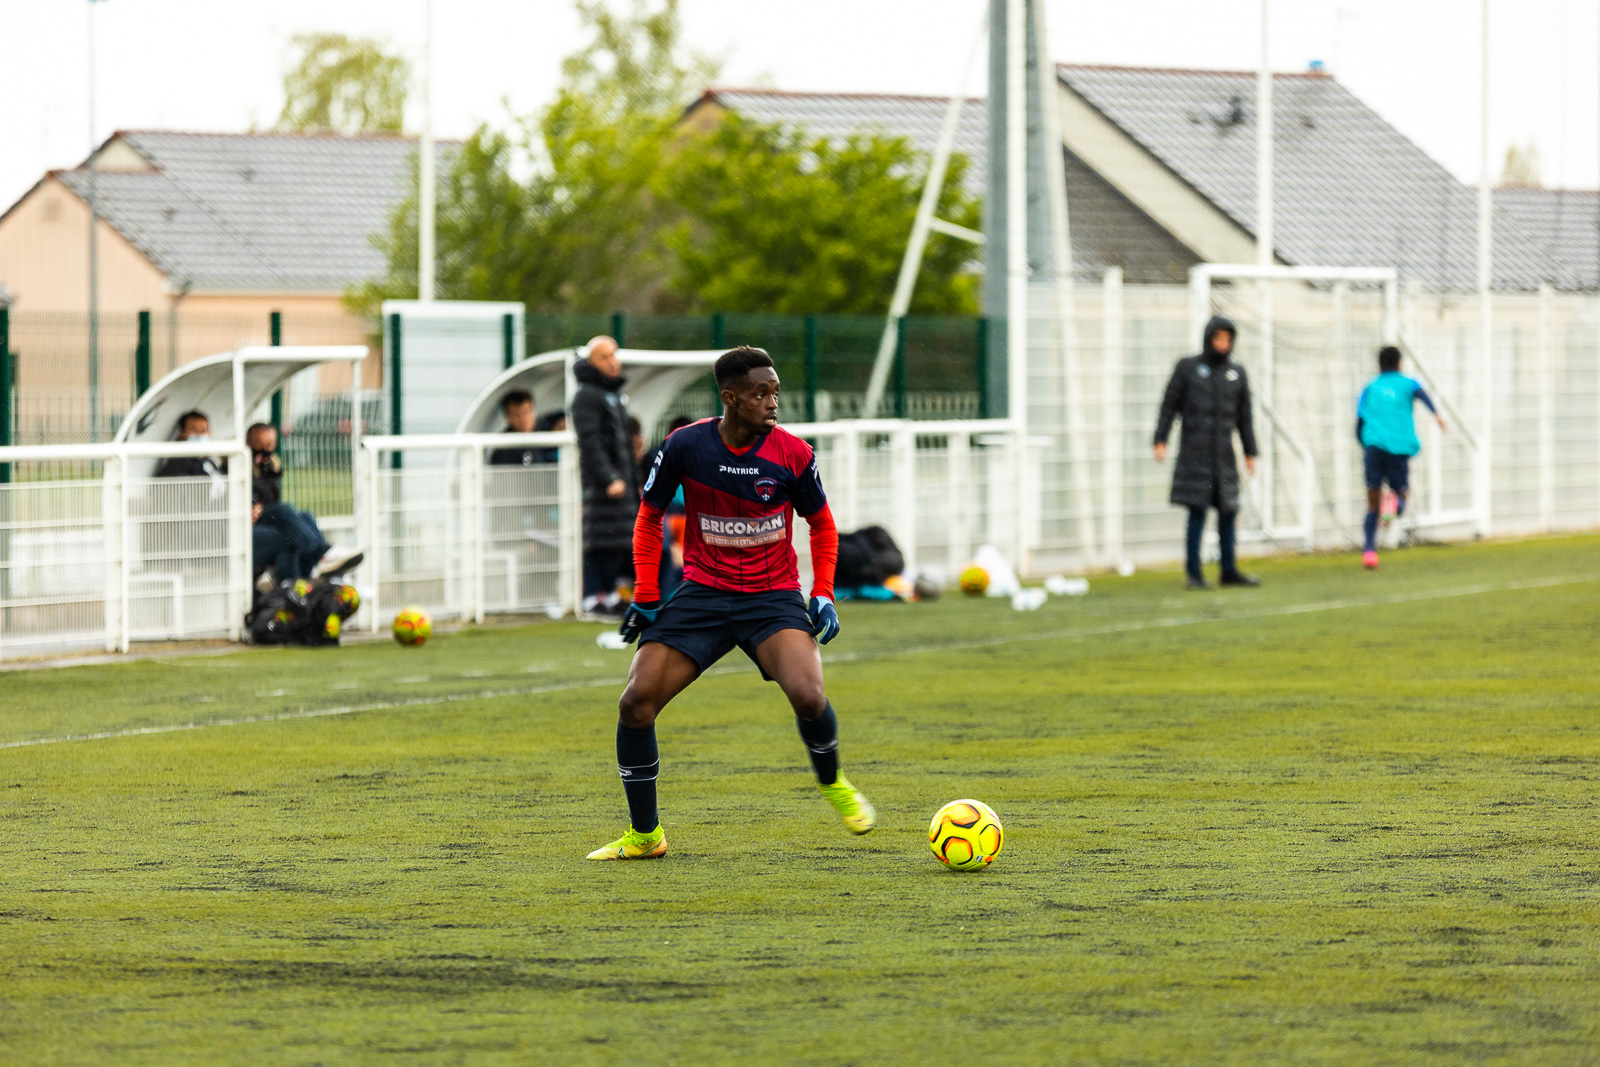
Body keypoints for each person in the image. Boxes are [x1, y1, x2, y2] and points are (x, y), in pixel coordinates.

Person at [585, 346, 873, 861]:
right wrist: (647, 593)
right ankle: (646, 835)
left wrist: (824, 593)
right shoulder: (684, 446)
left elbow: (822, 525)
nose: (772, 403)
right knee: (635, 702)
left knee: (809, 696)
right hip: (704, 594)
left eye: (775, 393)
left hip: (772, 597)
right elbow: (649, 517)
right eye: (761, 393)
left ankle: (832, 781)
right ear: (730, 398)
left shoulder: (794, 454)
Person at [1154, 314, 1261, 590]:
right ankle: (1194, 573)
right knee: (1197, 512)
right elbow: (1169, 405)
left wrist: (1250, 451)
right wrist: (1160, 438)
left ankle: (1228, 570)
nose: (1223, 343)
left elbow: (1244, 417)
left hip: (1224, 456)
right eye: (1218, 338)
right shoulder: (1188, 368)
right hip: (1195, 455)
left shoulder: (1236, 373)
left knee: (1228, 511)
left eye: (1227, 339)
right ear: (1208, 338)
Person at [1356, 346, 1446, 569]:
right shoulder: (1409, 383)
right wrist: (1436, 415)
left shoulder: (1369, 387)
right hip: (1399, 448)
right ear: (1399, 363)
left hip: (1374, 447)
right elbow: (1423, 396)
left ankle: (1369, 552)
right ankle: (1393, 505)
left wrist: (1364, 444)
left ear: (1379, 364)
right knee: (1401, 495)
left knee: (1372, 503)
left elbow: (1359, 419)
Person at [571, 335, 637, 615]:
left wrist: (633, 479)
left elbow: (623, 443)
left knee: (624, 542)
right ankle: (597, 598)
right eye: (605, 357)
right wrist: (609, 478)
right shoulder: (586, 395)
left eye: (614, 355)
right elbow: (590, 443)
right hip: (603, 486)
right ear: (591, 362)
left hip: (623, 483)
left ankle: (619, 597)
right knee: (604, 542)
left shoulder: (614, 393)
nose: (612, 362)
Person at [246, 423, 359, 582]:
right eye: (260, 444)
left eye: (270, 444)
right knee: (284, 513)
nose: (266, 449)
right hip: (249, 522)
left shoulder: (270, 467)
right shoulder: (239, 466)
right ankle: (322, 555)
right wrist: (247, 509)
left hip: (267, 518)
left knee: (305, 516)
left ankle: (306, 577)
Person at [487, 390, 543, 467]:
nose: (522, 418)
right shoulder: (503, 447)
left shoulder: (545, 433)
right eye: (516, 414)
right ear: (507, 417)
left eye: (526, 412)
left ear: (534, 411)